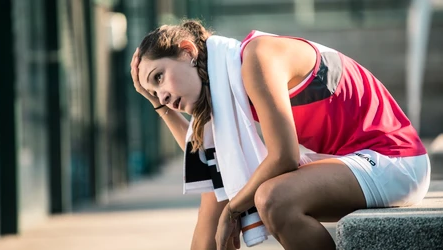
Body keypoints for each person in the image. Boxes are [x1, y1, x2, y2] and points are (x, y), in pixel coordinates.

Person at [129, 20, 430, 250]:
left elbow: (283, 157)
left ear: (188, 50)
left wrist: (234, 210)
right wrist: (158, 106)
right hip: (351, 163)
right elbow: (200, 158)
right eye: (155, 93)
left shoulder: (257, 57)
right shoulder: (224, 81)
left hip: (394, 160)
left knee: (272, 198)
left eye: (159, 77)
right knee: (214, 204)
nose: (164, 95)